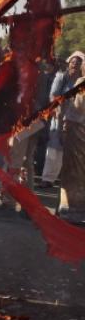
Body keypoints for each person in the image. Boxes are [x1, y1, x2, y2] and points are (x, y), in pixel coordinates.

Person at [40, 51, 84, 188]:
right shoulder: (61, 77)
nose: (75, 66)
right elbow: (53, 96)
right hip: (59, 117)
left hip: (76, 120)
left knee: (70, 151)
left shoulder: (81, 81)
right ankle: (47, 179)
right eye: (73, 63)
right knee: (54, 148)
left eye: (78, 63)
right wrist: (57, 112)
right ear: (68, 63)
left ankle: (65, 180)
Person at [58, 68, 85, 224]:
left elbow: (76, 109)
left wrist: (65, 125)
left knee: (74, 170)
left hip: (77, 131)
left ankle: (73, 208)